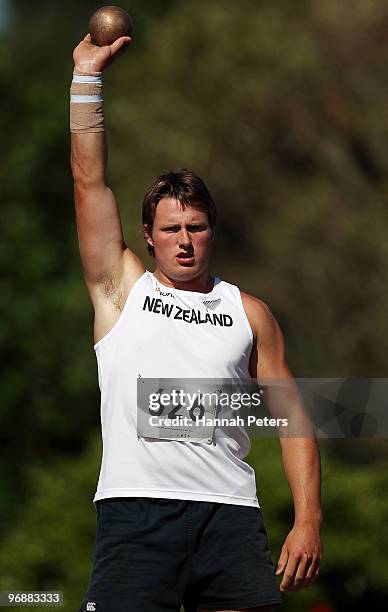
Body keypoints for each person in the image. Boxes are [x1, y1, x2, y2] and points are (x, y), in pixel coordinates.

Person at [70, 30, 322, 612]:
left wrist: (308, 519)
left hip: (229, 519)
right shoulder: (120, 290)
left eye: (197, 227)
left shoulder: (249, 313)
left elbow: (294, 420)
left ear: (212, 231)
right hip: (136, 515)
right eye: (171, 229)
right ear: (149, 237)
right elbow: (89, 182)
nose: (185, 241)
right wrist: (87, 78)